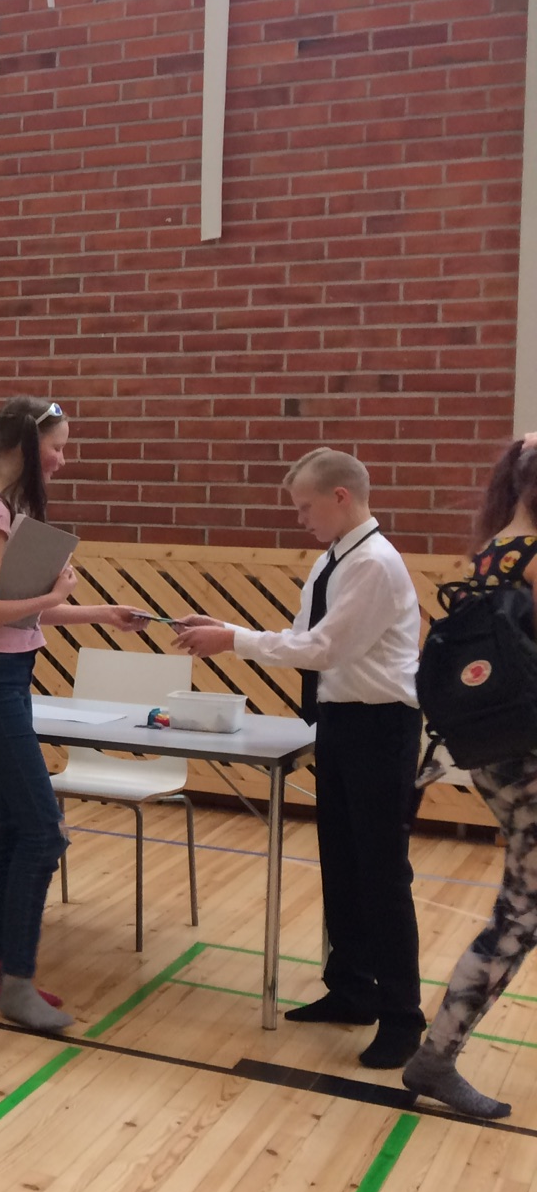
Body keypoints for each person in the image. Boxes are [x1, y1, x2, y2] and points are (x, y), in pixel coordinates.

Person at [177, 448, 426, 1069]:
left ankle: (403, 1016)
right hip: (339, 721)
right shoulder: (331, 559)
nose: (300, 518)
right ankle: (352, 988)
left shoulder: (373, 562)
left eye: (306, 506)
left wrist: (232, 639)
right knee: (341, 862)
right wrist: (226, 628)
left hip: (381, 727)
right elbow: (302, 639)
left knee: (382, 874)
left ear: (341, 496)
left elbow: (323, 649)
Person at [0, 398, 147, 1032]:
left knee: (6, 825)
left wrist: (101, 613)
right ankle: (18, 982)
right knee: (44, 831)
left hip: (6, 676)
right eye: (56, 446)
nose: (63, 459)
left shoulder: (10, 510)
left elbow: (20, 610)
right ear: (23, 446)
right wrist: (54, 592)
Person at [400, 436, 537, 1117]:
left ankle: (436, 1057)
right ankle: (436, 1058)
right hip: (530, 754)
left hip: (493, 749)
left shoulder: (494, 551)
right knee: (520, 914)